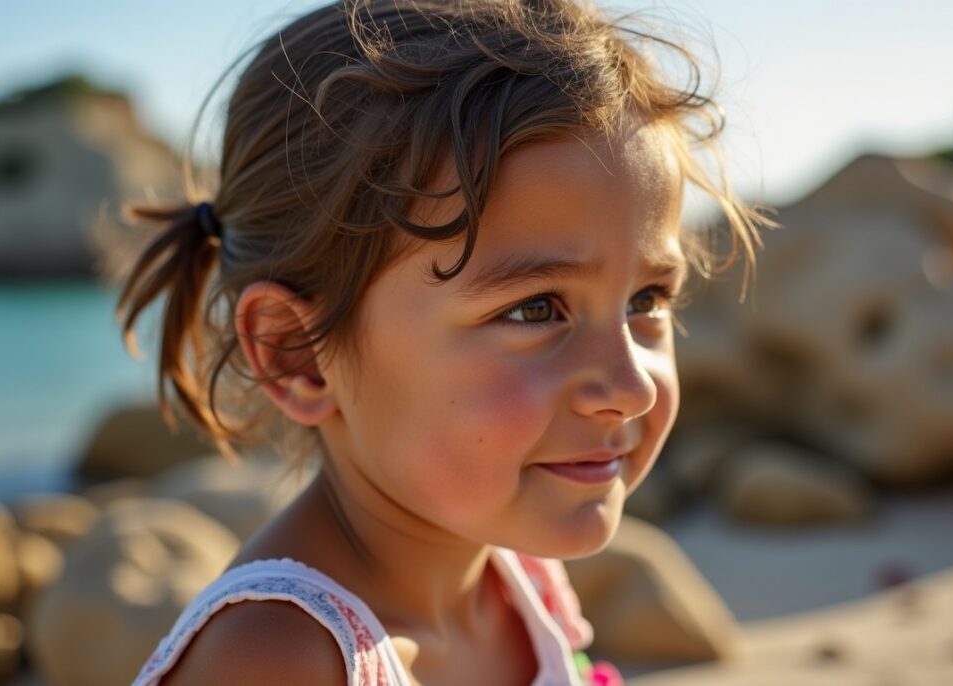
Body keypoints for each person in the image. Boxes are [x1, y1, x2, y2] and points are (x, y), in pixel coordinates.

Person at [116, 0, 772, 683]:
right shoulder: (281, 660)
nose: (633, 389)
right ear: (299, 355)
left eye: (646, 301)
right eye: (536, 310)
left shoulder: (518, 578)